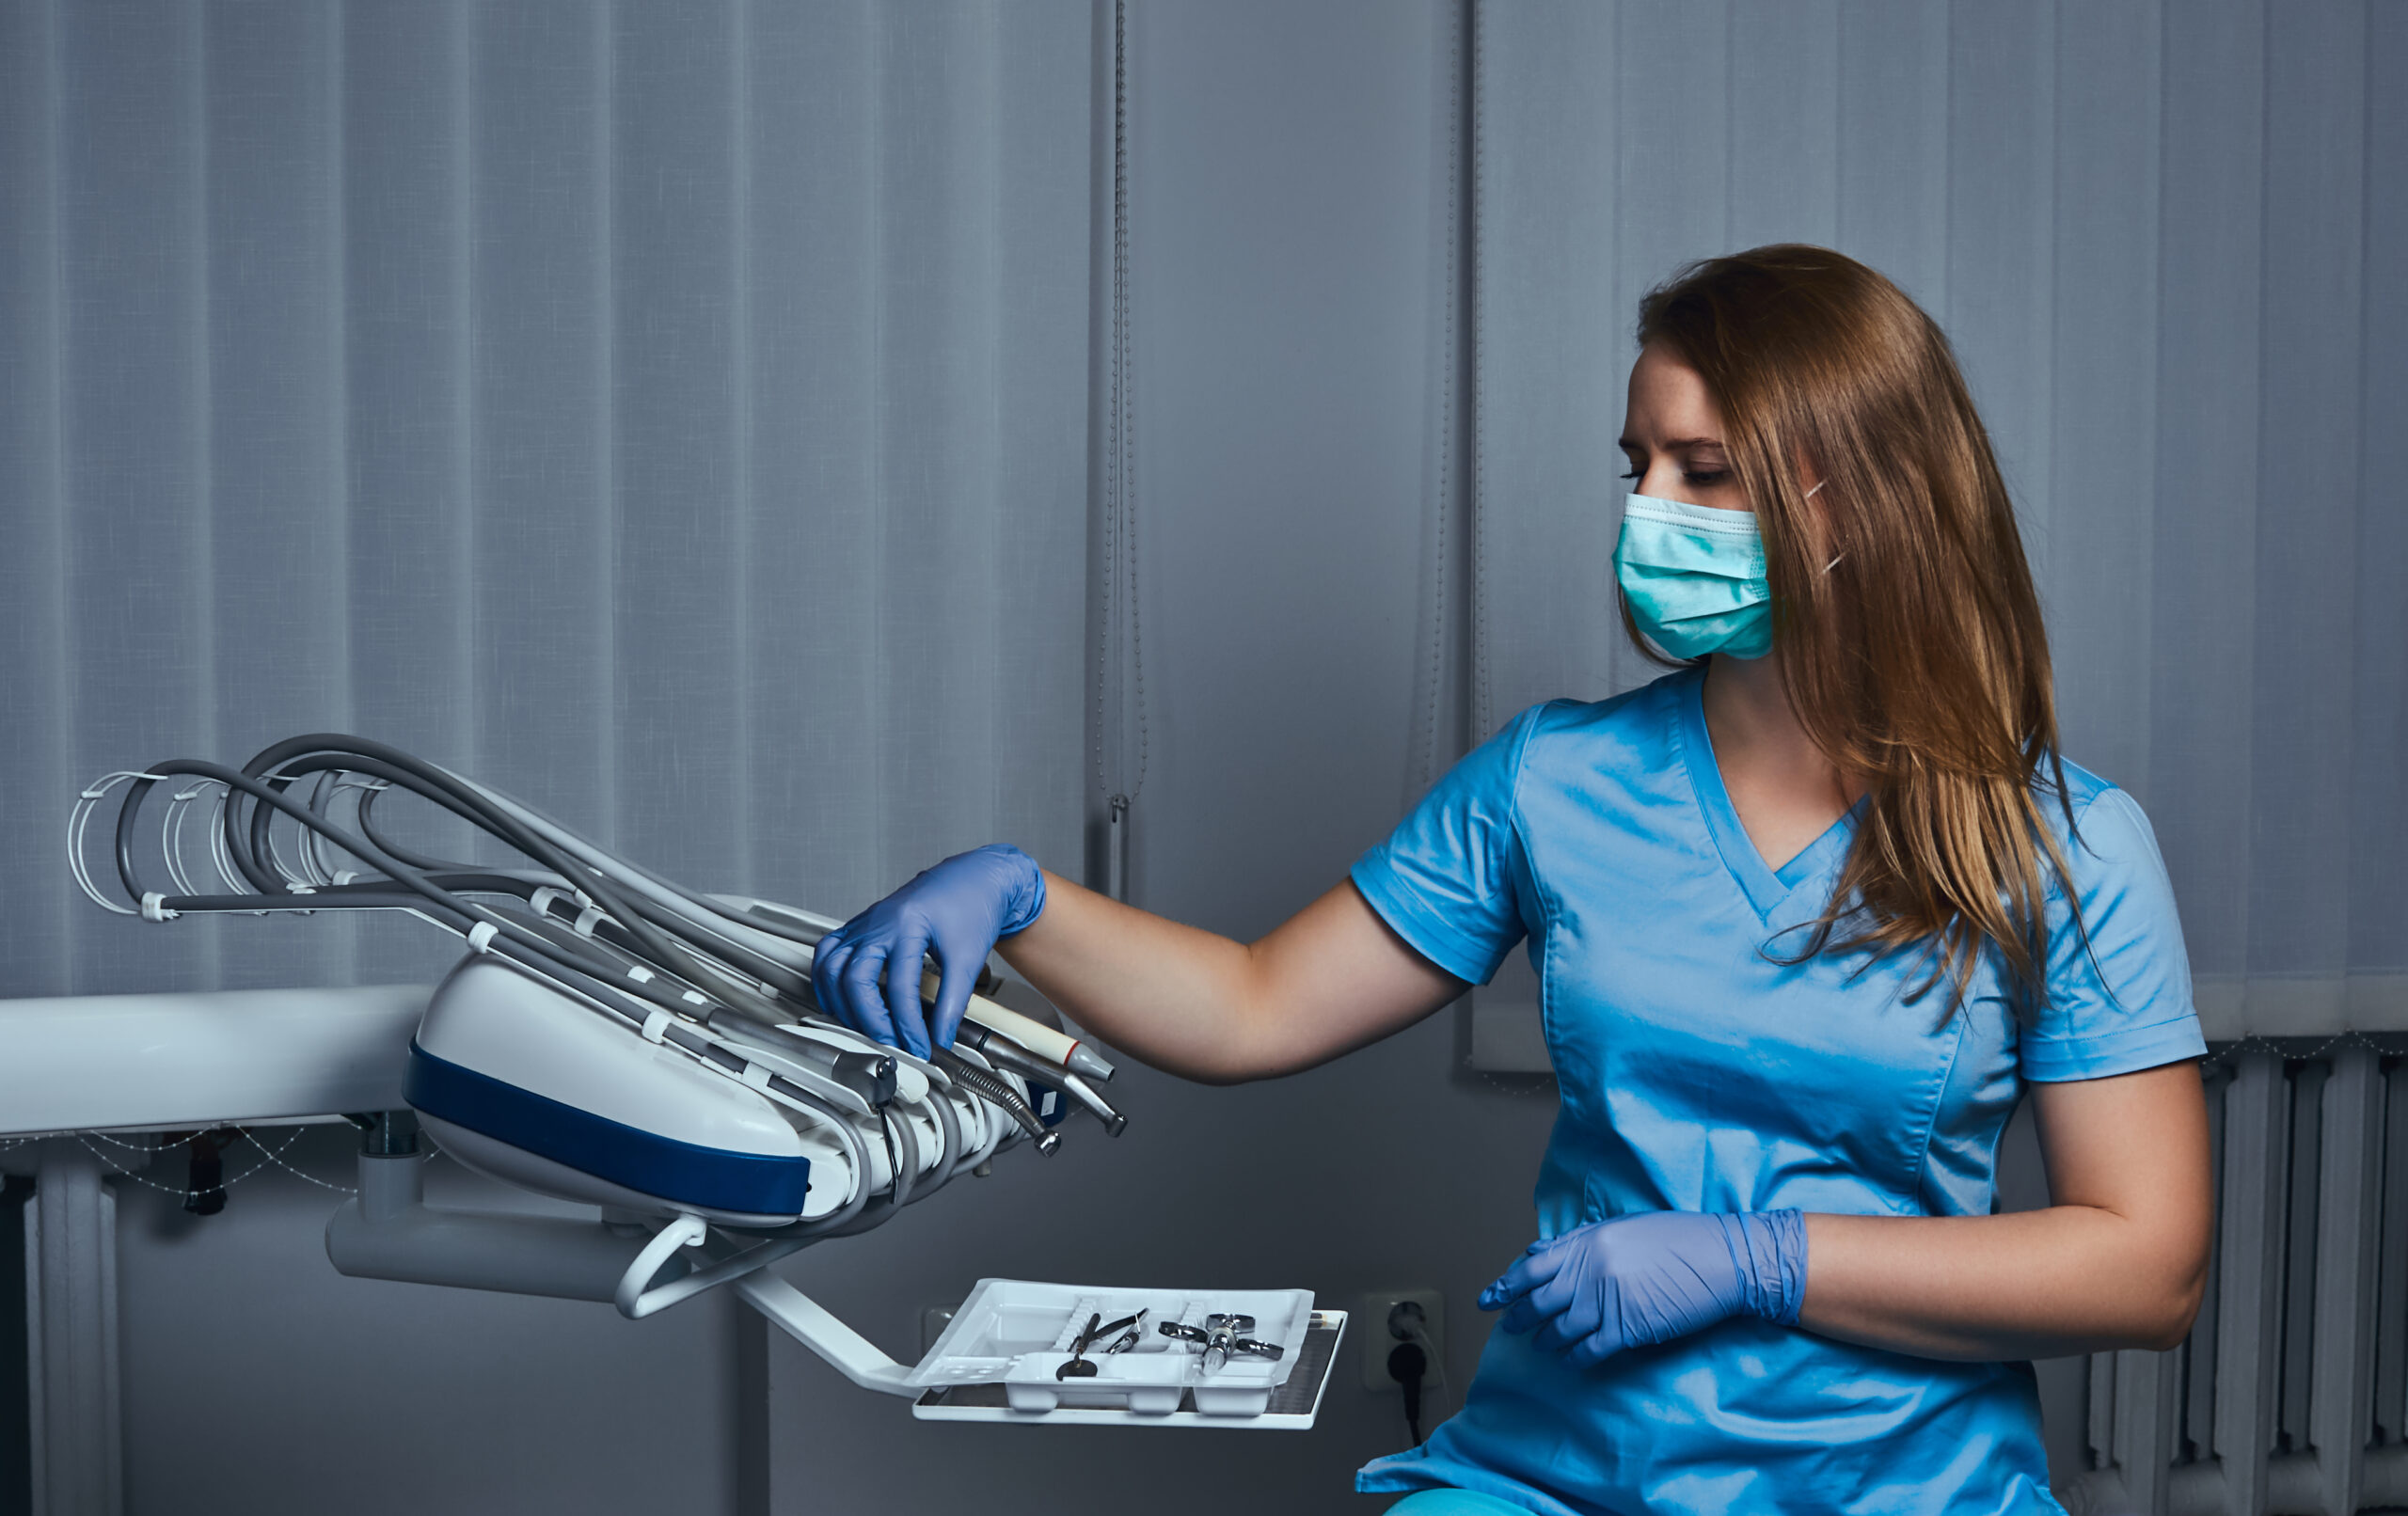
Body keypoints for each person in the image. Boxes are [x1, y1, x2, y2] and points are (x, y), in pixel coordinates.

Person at [809, 245, 2211, 1516]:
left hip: (1905, 1493)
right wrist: (1020, 898)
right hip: (1558, 1479)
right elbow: (1249, 1007)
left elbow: (2147, 1267)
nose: (1644, 509)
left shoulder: (2060, 849)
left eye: (1702, 470)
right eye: (1638, 464)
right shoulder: (1555, 780)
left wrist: (1757, 1258)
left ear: (1856, 496)